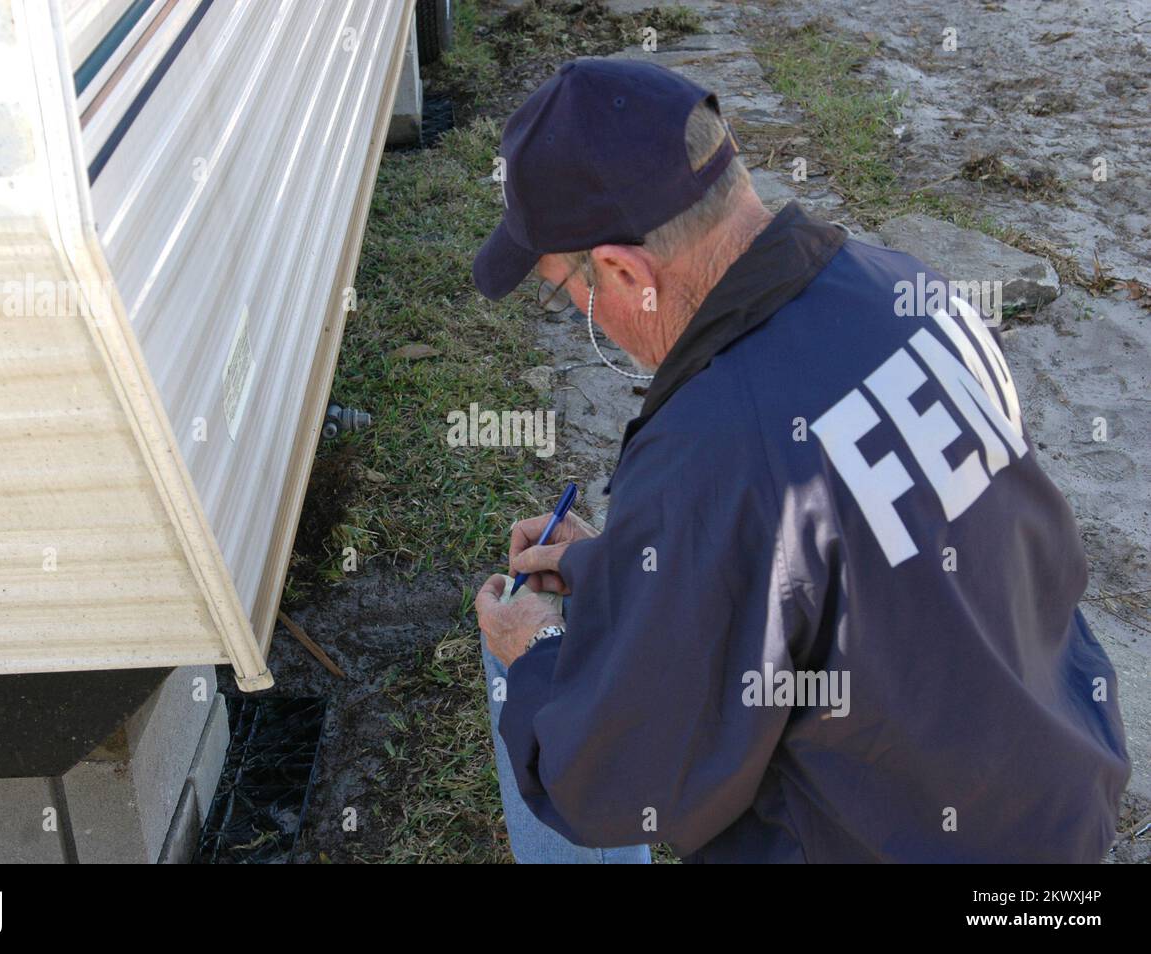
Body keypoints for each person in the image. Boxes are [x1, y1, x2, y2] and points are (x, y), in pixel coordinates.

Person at [471, 58, 1130, 863]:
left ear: (622, 271)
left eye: (563, 291)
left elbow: (622, 786)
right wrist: (624, 570)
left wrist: (535, 656)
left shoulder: (713, 449)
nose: (585, 313)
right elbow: (862, 552)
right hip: (1059, 815)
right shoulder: (906, 289)